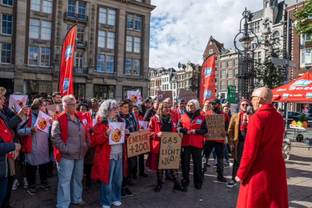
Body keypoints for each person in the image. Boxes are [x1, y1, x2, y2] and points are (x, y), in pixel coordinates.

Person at [235, 87, 288, 208]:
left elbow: (250, 150)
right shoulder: (279, 118)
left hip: (258, 169)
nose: (251, 101)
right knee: (273, 201)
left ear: (259, 100)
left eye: (252, 98)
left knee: (255, 201)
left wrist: (241, 173)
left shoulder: (257, 118)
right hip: (276, 167)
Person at [51, 95, 90, 208]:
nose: (75, 106)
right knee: (65, 181)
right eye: (72, 104)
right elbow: (55, 137)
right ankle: (63, 204)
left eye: (75, 103)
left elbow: (86, 130)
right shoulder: (59, 118)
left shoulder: (79, 116)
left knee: (78, 178)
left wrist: (86, 144)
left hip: (80, 153)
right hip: (66, 156)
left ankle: (77, 199)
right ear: (65, 106)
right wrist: (65, 149)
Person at [91, 99, 123, 208]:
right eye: (114, 109)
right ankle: (105, 201)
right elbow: (94, 141)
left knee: (117, 179)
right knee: (107, 180)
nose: (116, 111)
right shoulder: (100, 123)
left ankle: (115, 198)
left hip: (119, 153)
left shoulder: (119, 121)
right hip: (107, 156)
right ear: (107, 110)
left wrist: (126, 133)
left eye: (116, 108)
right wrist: (105, 134)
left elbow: (120, 137)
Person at [147, 102, 184, 192]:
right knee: (160, 166)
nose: (167, 109)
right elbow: (149, 133)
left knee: (173, 165)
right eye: (165, 107)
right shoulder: (154, 119)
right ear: (161, 108)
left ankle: (177, 184)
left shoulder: (173, 118)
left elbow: (178, 128)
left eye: (168, 107)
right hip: (159, 146)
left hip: (171, 145)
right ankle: (159, 183)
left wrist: (179, 133)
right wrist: (156, 134)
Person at [17, 98, 51, 195]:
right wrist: (30, 130)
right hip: (32, 145)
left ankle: (43, 182)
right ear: (39, 106)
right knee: (31, 166)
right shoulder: (27, 114)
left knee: (43, 164)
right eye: (44, 105)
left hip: (44, 145)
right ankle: (31, 185)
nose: (46, 107)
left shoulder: (47, 116)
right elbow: (19, 131)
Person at [0, 87, 23, 208]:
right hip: (4, 156)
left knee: (8, 183)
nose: (4, 99)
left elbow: (7, 127)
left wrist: (19, 115)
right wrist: (13, 145)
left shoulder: (3, 111)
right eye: (2, 97)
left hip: (7, 155)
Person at [178, 99, 207, 190]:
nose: (190, 108)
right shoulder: (182, 116)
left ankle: (198, 182)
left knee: (197, 164)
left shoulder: (201, 117)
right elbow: (178, 127)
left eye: (192, 106)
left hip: (197, 144)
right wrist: (184, 130)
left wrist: (196, 131)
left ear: (196, 106)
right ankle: (185, 181)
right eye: (189, 106)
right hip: (185, 143)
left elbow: (205, 130)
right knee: (185, 164)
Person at [226, 99, 250, 188]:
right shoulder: (235, 116)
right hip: (239, 142)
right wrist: (231, 142)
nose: (245, 106)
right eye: (243, 104)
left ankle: (246, 180)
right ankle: (234, 179)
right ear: (240, 106)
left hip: (250, 143)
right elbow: (230, 130)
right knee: (237, 161)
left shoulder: (252, 116)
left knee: (248, 162)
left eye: (246, 105)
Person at [202, 99, 227, 183]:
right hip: (209, 139)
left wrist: (225, 132)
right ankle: (202, 172)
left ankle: (220, 175)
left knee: (220, 157)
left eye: (214, 104)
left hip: (219, 140)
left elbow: (227, 126)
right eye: (212, 104)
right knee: (206, 156)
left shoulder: (224, 115)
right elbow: (203, 126)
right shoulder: (207, 114)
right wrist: (204, 133)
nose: (213, 105)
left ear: (219, 104)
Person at [118, 100, 137, 196]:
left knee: (131, 165)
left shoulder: (131, 115)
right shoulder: (118, 118)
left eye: (127, 107)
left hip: (131, 144)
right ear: (120, 108)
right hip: (122, 145)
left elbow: (134, 127)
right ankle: (121, 186)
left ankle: (126, 184)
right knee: (123, 167)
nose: (127, 109)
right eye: (124, 107)